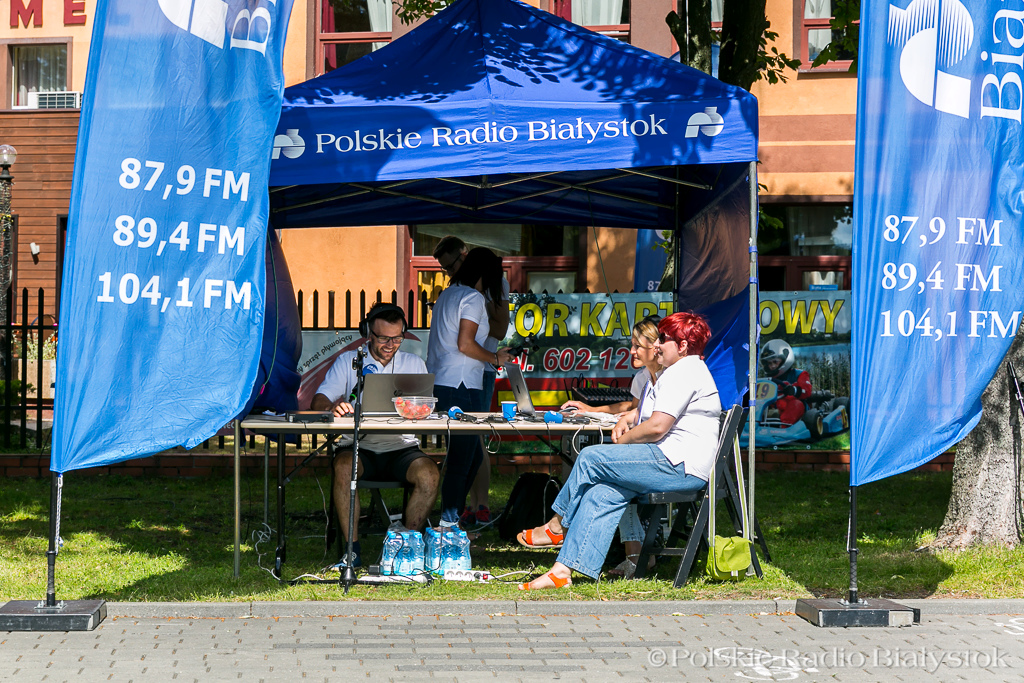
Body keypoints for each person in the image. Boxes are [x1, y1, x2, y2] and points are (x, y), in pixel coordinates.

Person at [517, 312, 721, 590]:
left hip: (677, 465)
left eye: (664, 339)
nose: (657, 344)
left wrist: (621, 444)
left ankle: (556, 526)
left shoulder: (683, 371)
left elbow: (657, 426)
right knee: (603, 492)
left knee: (591, 458)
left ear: (683, 345)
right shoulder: (682, 371)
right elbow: (646, 416)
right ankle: (562, 572)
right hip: (673, 463)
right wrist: (627, 421)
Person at [310, 302, 440, 569]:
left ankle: (405, 548)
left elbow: (426, 406)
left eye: (397, 338)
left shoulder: (414, 363)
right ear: (367, 333)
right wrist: (334, 406)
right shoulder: (349, 361)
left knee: (430, 474)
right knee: (344, 466)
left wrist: (418, 410)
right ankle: (352, 552)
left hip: (402, 448)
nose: (391, 344)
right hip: (358, 447)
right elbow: (319, 401)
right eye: (383, 338)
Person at [559, 315, 662, 578]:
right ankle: (635, 556)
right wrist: (594, 409)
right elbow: (632, 408)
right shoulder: (645, 377)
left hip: (661, 461)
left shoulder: (669, 380)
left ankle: (559, 524)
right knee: (609, 479)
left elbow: (652, 422)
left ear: (656, 345)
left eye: (638, 345)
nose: (632, 351)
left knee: (593, 460)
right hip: (649, 455)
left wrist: (624, 436)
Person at [427, 247, 514, 529]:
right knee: (462, 459)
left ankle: (451, 521)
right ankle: (447, 526)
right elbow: (465, 344)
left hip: (444, 381)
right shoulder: (473, 298)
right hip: (461, 384)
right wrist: (495, 357)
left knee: (472, 456)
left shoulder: (448, 294)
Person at [760, 339, 811, 426]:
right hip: (775, 406)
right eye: (769, 363)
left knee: (796, 404)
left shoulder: (800, 374)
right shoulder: (768, 379)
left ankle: (784, 427)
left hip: (794, 407)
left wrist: (793, 390)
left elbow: (806, 392)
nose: (772, 366)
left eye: (775, 362)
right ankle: (751, 427)